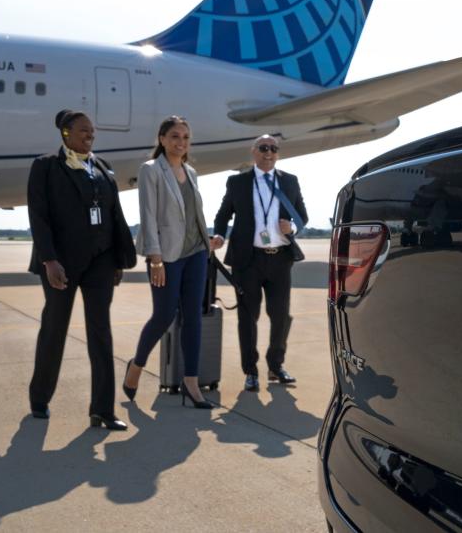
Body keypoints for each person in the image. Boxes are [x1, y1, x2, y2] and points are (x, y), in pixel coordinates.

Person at [27, 109, 136, 431]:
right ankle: (40, 397)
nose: (90, 135)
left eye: (93, 131)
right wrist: (49, 260)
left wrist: (118, 259)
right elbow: (39, 216)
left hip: (100, 262)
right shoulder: (46, 166)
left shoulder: (102, 167)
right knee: (54, 329)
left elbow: (114, 214)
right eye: (83, 131)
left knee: (101, 334)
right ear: (65, 133)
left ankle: (102, 409)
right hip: (62, 263)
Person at [122, 116, 215, 409]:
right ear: (162, 139)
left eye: (186, 137)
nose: (181, 142)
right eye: (175, 136)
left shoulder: (192, 172)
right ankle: (136, 365)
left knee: (193, 317)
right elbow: (147, 214)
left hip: (197, 253)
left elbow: (193, 213)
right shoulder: (151, 170)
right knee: (163, 316)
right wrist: (155, 258)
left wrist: (208, 239)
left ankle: (191, 381)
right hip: (166, 256)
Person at [210, 135, 308, 392]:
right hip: (248, 260)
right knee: (247, 317)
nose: (269, 152)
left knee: (280, 316)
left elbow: (302, 216)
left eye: (274, 149)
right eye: (264, 148)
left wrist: (293, 227)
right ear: (253, 152)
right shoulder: (238, 182)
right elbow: (223, 215)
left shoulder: (290, 181)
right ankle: (250, 371)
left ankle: (276, 366)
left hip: (280, 259)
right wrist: (219, 234)